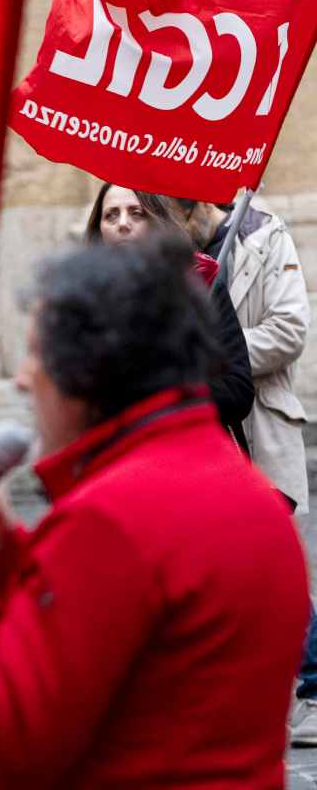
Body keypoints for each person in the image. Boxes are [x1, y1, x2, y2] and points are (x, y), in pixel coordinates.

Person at [0, 237, 309, 789]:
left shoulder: (111, 518)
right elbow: (126, 639)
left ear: (89, 370)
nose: (24, 378)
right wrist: (8, 558)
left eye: (36, 353)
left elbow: (10, 739)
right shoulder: (247, 487)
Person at [172, 197, 317, 744]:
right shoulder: (172, 258)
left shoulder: (261, 233)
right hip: (203, 427)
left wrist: (210, 355)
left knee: (269, 562)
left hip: (260, 423)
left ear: (189, 211)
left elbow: (287, 331)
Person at [85, 183, 253, 439]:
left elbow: (237, 391)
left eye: (136, 213)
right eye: (111, 215)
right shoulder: (81, 303)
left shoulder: (198, 290)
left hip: (189, 452)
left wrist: (171, 389)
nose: (122, 223)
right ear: (99, 229)